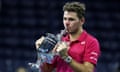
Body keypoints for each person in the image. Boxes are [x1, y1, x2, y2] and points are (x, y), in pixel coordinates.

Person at [35, 1, 101, 72]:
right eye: (65, 19)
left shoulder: (91, 42)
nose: (66, 23)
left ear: (82, 21)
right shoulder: (60, 41)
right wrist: (42, 52)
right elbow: (46, 70)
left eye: (71, 19)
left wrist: (66, 57)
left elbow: (88, 70)